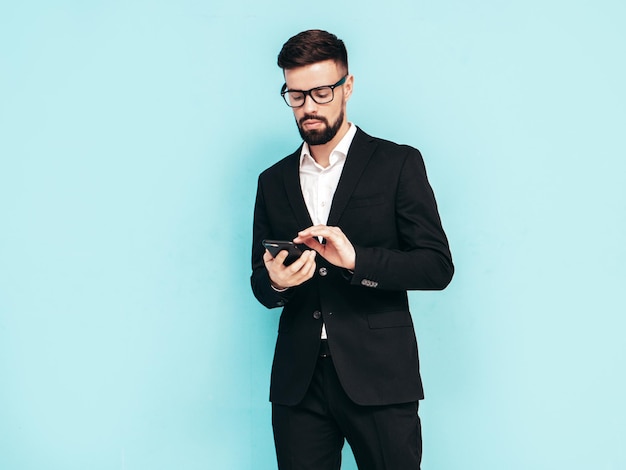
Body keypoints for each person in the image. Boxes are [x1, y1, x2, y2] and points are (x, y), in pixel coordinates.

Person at [250, 29, 454, 470]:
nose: (309, 106)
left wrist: (357, 260)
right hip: (298, 384)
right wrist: (276, 283)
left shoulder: (398, 163)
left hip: (380, 377)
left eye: (321, 92)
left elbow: (436, 267)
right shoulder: (273, 180)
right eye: (296, 94)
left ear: (348, 86)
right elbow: (260, 285)